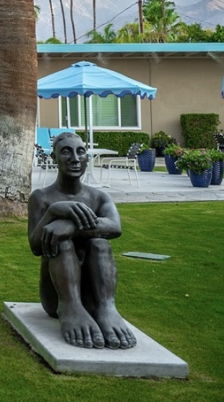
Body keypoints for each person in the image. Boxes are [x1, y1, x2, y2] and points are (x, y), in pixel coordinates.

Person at [27, 132, 137, 349]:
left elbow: (115, 227)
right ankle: (71, 307)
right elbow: (35, 246)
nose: (75, 159)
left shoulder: (99, 197)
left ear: (87, 158)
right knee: (62, 244)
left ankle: (107, 308)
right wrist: (53, 212)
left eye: (80, 152)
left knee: (100, 243)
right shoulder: (42, 198)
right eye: (66, 152)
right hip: (57, 298)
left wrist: (70, 225)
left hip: (95, 295)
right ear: (54, 158)